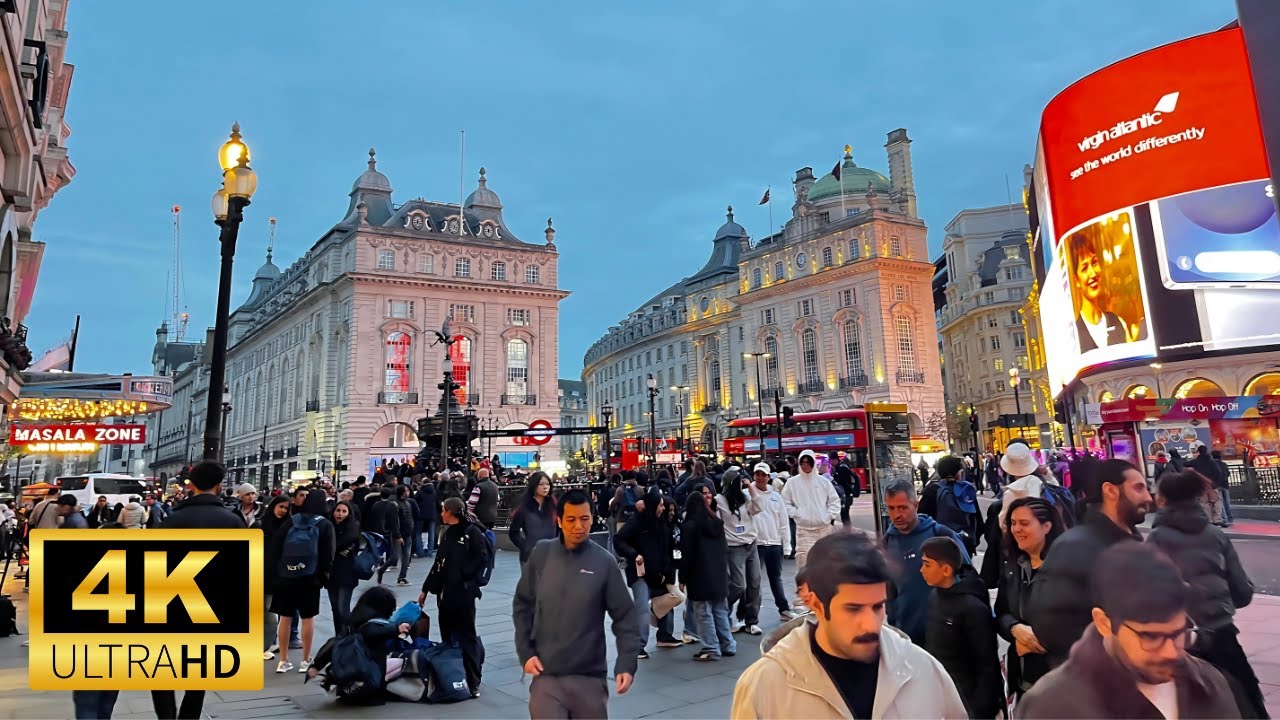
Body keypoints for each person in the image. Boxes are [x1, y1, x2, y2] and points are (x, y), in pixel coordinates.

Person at [731, 531, 966, 719]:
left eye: (877, 606)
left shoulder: (922, 669)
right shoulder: (764, 686)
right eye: (853, 609)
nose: (870, 624)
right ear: (816, 604)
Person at [1018, 542, 1242, 719]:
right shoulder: (1052, 706)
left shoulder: (1209, 684)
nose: (1171, 652)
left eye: (1178, 633)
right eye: (1151, 637)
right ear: (1104, 623)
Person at [1148, 470, 1265, 716]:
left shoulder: (1155, 540)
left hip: (1181, 643)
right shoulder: (1216, 534)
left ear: (1164, 499)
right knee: (1243, 700)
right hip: (1224, 637)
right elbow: (1242, 592)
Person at [515, 488, 638, 717]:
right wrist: (525, 651)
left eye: (585, 519)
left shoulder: (604, 562)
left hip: (588, 677)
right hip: (547, 674)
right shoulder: (542, 554)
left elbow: (625, 616)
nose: (578, 526)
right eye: (571, 520)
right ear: (559, 521)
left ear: (592, 519)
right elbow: (523, 605)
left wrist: (626, 662)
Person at [1028, 458, 1149, 669]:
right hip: (1100, 681)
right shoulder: (1073, 548)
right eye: (1138, 488)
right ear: (1110, 491)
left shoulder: (1133, 543)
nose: (1148, 497)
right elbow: (1050, 626)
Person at [152, 461, 243, 720]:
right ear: (219, 486)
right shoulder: (232, 521)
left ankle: (165, 716)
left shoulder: (172, 521)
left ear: (190, 485)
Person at [920, 537, 1001, 719]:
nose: (921, 570)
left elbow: (987, 666)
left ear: (946, 570)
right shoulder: (935, 596)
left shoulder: (972, 608)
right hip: (942, 694)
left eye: (927, 564)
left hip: (968, 702)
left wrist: (979, 711)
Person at [881, 478, 968, 646]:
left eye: (903, 508)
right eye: (891, 508)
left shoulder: (941, 534)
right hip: (908, 638)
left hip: (947, 635)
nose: (896, 514)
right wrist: (894, 625)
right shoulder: (887, 542)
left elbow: (969, 579)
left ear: (916, 505)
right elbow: (890, 590)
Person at [994, 497, 1064, 698]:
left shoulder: (1065, 567)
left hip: (1059, 681)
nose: (1016, 529)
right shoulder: (1013, 565)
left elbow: (1076, 624)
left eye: (1024, 523)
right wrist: (1015, 629)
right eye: (1013, 523)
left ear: (1047, 526)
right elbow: (1001, 612)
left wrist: (1036, 639)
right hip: (1023, 679)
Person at [420, 497, 488, 696]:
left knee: (467, 637)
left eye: (443, 510)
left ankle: (473, 680)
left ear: (451, 512)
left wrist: (465, 575)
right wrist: (426, 589)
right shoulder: (447, 533)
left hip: (464, 594)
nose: (441, 514)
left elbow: (481, 557)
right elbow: (439, 563)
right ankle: (452, 675)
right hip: (445, 595)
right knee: (447, 637)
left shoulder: (471, 532)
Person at [269, 488, 336, 674]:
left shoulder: (291, 521)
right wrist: (324, 576)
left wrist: (278, 572)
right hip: (310, 577)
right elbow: (328, 555)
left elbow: (276, 547)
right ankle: (306, 660)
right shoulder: (325, 524)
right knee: (307, 618)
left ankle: (283, 660)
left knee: (285, 618)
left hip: (286, 576)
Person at [615, 487, 679, 658]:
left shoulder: (663, 525)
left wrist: (668, 572)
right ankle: (638, 645)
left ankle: (665, 635)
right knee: (642, 605)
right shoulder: (636, 522)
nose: (663, 508)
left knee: (667, 600)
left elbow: (669, 550)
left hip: (659, 572)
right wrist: (634, 554)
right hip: (640, 572)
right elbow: (619, 540)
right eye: (660, 505)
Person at [309, 585, 400, 705]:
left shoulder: (355, 619)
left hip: (349, 687)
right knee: (400, 662)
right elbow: (372, 632)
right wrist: (396, 629)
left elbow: (334, 644)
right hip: (371, 689)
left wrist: (316, 665)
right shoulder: (376, 625)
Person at [680, 483, 737, 661]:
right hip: (718, 574)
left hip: (700, 576)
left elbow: (686, 555)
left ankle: (711, 647)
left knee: (703, 612)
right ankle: (728, 644)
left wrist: (682, 577)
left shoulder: (690, 526)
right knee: (720, 609)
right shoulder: (717, 523)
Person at [780, 449, 841, 600]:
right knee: (803, 565)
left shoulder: (823, 482)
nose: (806, 465)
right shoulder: (792, 483)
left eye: (809, 462)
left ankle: (826, 595)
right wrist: (797, 514)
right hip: (804, 530)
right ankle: (804, 598)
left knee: (825, 564)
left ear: (813, 463)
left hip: (824, 528)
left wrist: (828, 516)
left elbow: (834, 501)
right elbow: (785, 502)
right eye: (803, 462)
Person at [1069, 229, 1139, 350]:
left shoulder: (1118, 323)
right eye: (1085, 268)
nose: (1093, 273)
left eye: (1094, 262)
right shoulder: (1073, 336)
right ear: (1076, 281)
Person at [716, 467, 763, 636]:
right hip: (734, 546)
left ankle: (752, 620)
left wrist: (750, 487)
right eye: (739, 482)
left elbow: (758, 507)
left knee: (755, 582)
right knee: (738, 585)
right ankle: (721, 609)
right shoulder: (719, 500)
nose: (741, 485)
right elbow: (717, 523)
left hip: (751, 543)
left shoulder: (745, 497)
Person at [750, 462, 795, 621]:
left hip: (774, 544)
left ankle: (784, 609)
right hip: (756, 544)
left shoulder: (776, 497)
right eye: (758, 474)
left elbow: (784, 522)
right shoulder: (747, 494)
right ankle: (748, 615)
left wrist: (787, 545)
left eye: (763, 475)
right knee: (753, 581)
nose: (760, 478)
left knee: (776, 578)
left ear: (768, 477)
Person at [918, 456, 980, 555]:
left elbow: (921, 519)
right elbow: (977, 521)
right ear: (959, 472)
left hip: (938, 546)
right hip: (963, 544)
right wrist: (972, 543)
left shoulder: (931, 490)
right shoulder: (966, 489)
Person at [260, 495, 294, 661]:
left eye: (286, 508)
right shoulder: (261, 524)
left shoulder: (289, 527)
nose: (283, 510)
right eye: (280, 506)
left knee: (269, 612)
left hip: (277, 575)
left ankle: (265, 645)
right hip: (258, 572)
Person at [326, 500, 361, 636]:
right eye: (338, 510)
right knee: (335, 608)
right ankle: (339, 635)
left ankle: (346, 635)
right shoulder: (328, 526)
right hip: (331, 573)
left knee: (342, 608)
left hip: (347, 574)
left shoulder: (353, 526)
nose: (340, 514)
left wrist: (334, 548)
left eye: (343, 511)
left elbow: (342, 543)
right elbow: (326, 546)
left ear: (349, 513)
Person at [508, 471, 559, 564]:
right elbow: (513, 532)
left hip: (551, 556)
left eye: (548, 484)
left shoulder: (554, 505)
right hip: (529, 557)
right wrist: (525, 546)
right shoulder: (523, 507)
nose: (545, 487)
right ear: (534, 485)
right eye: (541, 484)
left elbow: (560, 528)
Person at [393, 484, 418, 586]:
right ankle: (382, 569)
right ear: (402, 492)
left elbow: (413, 515)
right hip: (399, 534)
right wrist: (398, 535)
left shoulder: (408, 502)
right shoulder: (396, 504)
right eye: (406, 490)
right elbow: (395, 521)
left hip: (407, 533)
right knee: (394, 557)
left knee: (406, 557)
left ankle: (402, 577)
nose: (408, 492)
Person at [414, 477, 438, 557]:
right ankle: (430, 551)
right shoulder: (434, 492)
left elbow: (415, 502)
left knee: (418, 533)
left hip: (421, 515)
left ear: (423, 483)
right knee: (431, 533)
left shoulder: (420, 492)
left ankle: (420, 552)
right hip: (432, 514)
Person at [831, 452, 856, 526]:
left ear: (835, 459)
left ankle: (848, 532)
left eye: (831, 460)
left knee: (844, 515)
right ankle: (848, 531)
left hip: (846, 495)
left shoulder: (842, 468)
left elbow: (841, 483)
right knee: (844, 514)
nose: (830, 462)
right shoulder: (839, 467)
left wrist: (833, 477)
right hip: (844, 495)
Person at [1213, 449, 1235, 527]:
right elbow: (1228, 473)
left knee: (1220, 503)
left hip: (1217, 485)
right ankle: (1230, 518)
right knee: (1227, 503)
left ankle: (1224, 519)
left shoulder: (1213, 464)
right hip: (1225, 485)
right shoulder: (1224, 464)